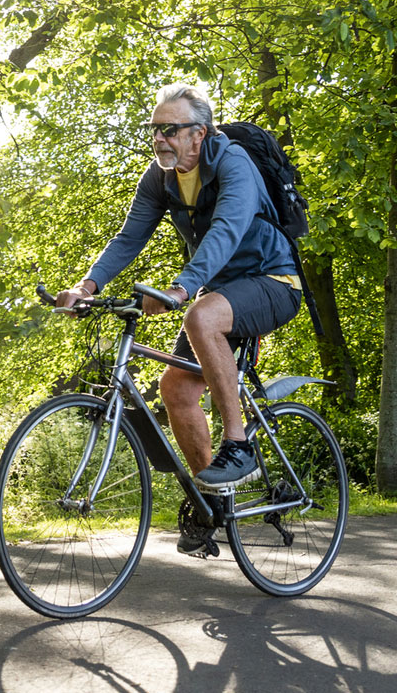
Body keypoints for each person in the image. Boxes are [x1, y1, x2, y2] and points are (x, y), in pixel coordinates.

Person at [54, 82, 302, 555]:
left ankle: (239, 446)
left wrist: (183, 287)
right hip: (220, 291)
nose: (159, 138)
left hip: (273, 282)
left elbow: (227, 230)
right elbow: (129, 238)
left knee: (199, 316)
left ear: (199, 134)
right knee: (176, 389)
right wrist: (87, 287)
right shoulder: (161, 177)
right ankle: (215, 502)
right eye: (154, 130)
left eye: (170, 129)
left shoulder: (234, 165)